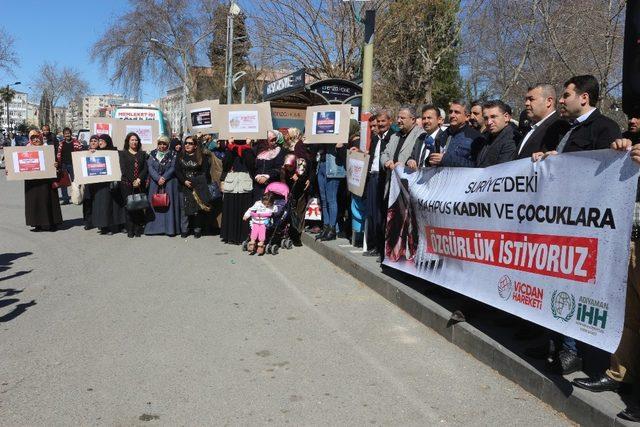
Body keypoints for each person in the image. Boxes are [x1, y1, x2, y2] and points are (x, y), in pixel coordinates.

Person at [531, 75, 622, 375]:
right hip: (552, 219)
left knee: (571, 285)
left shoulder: (605, 128)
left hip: (582, 225)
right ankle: (552, 342)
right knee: (549, 278)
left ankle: (573, 350)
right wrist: (542, 157)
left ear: (584, 98)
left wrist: (568, 162)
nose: (560, 100)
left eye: (566, 95)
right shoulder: (558, 128)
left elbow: (606, 174)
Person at [363, 109, 393, 258]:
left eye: (383, 121)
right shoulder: (375, 138)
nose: (380, 124)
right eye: (378, 122)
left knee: (382, 214)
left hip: (384, 178)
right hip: (372, 177)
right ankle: (374, 245)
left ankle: (382, 247)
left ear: (390, 122)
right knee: (372, 213)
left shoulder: (393, 137)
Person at [515, 84, 569, 159]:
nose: (526, 103)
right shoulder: (531, 127)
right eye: (526, 99)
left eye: (531, 99)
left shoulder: (559, 127)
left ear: (548, 101)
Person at [23, 130, 62, 232]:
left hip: (46, 180)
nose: (36, 139)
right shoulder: (26, 150)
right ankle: (37, 224)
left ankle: (52, 223)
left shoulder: (47, 148)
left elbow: (56, 161)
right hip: (32, 181)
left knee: (48, 200)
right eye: (33, 138)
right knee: (34, 202)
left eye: (37, 137)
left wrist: (55, 164)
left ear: (41, 137)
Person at [429, 100, 485, 168]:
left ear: (467, 117)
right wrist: (430, 161)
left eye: (457, 112)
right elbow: (432, 158)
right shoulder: (442, 135)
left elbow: (476, 166)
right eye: (450, 112)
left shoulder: (476, 138)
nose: (452, 115)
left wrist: (446, 159)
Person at [175, 135, 211, 238]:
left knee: (197, 209)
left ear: (195, 146)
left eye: (190, 143)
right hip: (183, 186)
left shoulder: (201, 157)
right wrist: (184, 181)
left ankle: (197, 229)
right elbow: (177, 170)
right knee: (184, 209)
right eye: (186, 143)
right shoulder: (180, 156)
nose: (187, 145)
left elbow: (205, 172)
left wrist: (195, 182)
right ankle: (184, 230)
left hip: (197, 186)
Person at [145, 135, 182, 237]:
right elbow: (150, 167)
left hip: (169, 183)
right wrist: (157, 178)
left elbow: (173, 167)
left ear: (168, 144)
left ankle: (169, 229)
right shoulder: (152, 154)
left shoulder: (173, 154)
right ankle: (153, 229)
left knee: (168, 204)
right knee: (154, 203)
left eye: (164, 144)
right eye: (160, 143)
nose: (162, 146)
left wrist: (164, 177)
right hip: (155, 183)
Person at [89, 134, 126, 235]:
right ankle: (105, 227)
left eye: (102, 140)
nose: (99, 142)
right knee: (104, 205)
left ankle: (121, 225)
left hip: (114, 183)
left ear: (107, 141)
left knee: (117, 205)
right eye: (99, 140)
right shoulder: (95, 153)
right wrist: (91, 153)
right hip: (101, 184)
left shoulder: (115, 152)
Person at [221, 138, 256, 244]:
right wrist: (230, 147)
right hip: (232, 182)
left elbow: (251, 164)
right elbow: (226, 164)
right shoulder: (230, 148)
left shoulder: (249, 149)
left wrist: (248, 147)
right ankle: (230, 236)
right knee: (230, 209)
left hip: (244, 182)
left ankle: (243, 236)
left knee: (243, 209)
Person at [119, 132, 149, 238]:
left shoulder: (142, 154)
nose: (134, 142)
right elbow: (124, 170)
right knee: (129, 206)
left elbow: (145, 168)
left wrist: (139, 179)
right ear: (128, 141)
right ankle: (130, 229)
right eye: (132, 140)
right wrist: (133, 181)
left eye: (136, 140)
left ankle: (138, 229)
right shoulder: (122, 154)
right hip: (127, 184)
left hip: (140, 184)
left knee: (139, 206)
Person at [475, 100, 517, 167]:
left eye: (493, 117)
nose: (489, 122)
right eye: (486, 118)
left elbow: (503, 170)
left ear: (506, 117)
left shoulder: (512, 140)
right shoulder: (486, 137)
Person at [407, 104, 444, 170]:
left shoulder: (445, 138)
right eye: (424, 118)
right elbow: (412, 157)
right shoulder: (420, 138)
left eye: (429, 118)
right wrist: (410, 161)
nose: (426, 121)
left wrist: (443, 159)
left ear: (439, 119)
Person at [253, 131, 285, 201]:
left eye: (275, 139)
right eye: (271, 140)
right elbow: (253, 167)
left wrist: (267, 176)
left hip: (272, 185)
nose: (274, 142)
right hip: (258, 186)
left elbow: (278, 168)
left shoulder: (279, 150)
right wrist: (257, 176)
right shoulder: (257, 150)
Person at [243, 191, 277, 255]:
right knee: (254, 231)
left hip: (264, 222)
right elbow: (251, 209)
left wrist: (273, 211)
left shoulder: (273, 206)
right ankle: (252, 242)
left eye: (268, 204)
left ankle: (261, 244)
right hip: (256, 221)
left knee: (262, 231)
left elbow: (276, 211)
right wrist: (246, 215)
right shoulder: (258, 204)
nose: (266, 205)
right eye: (265, 204)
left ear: (272, 203)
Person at [55, 127, 83, 204]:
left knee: (76, 182)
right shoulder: (61, 143)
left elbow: (80, 152)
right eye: (65, 134)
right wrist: (58, 165)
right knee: (63, 183)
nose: (67, 135)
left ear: (70, 134)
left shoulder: (76, 142)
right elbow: (58, 154)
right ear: (63, 135)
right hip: (63, 165)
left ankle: (77, 198)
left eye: (68, 133)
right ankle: (65, 199)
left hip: (73, 165)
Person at [82, 135, 100, 230]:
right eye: (91, 141)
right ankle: (88, 222)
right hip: (88, 182)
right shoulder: (84, 152)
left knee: (97, 201)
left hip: (99, 182)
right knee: (88, 201)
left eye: (95, 141)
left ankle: (97, 220)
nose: (93, 142)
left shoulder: (103, 152)